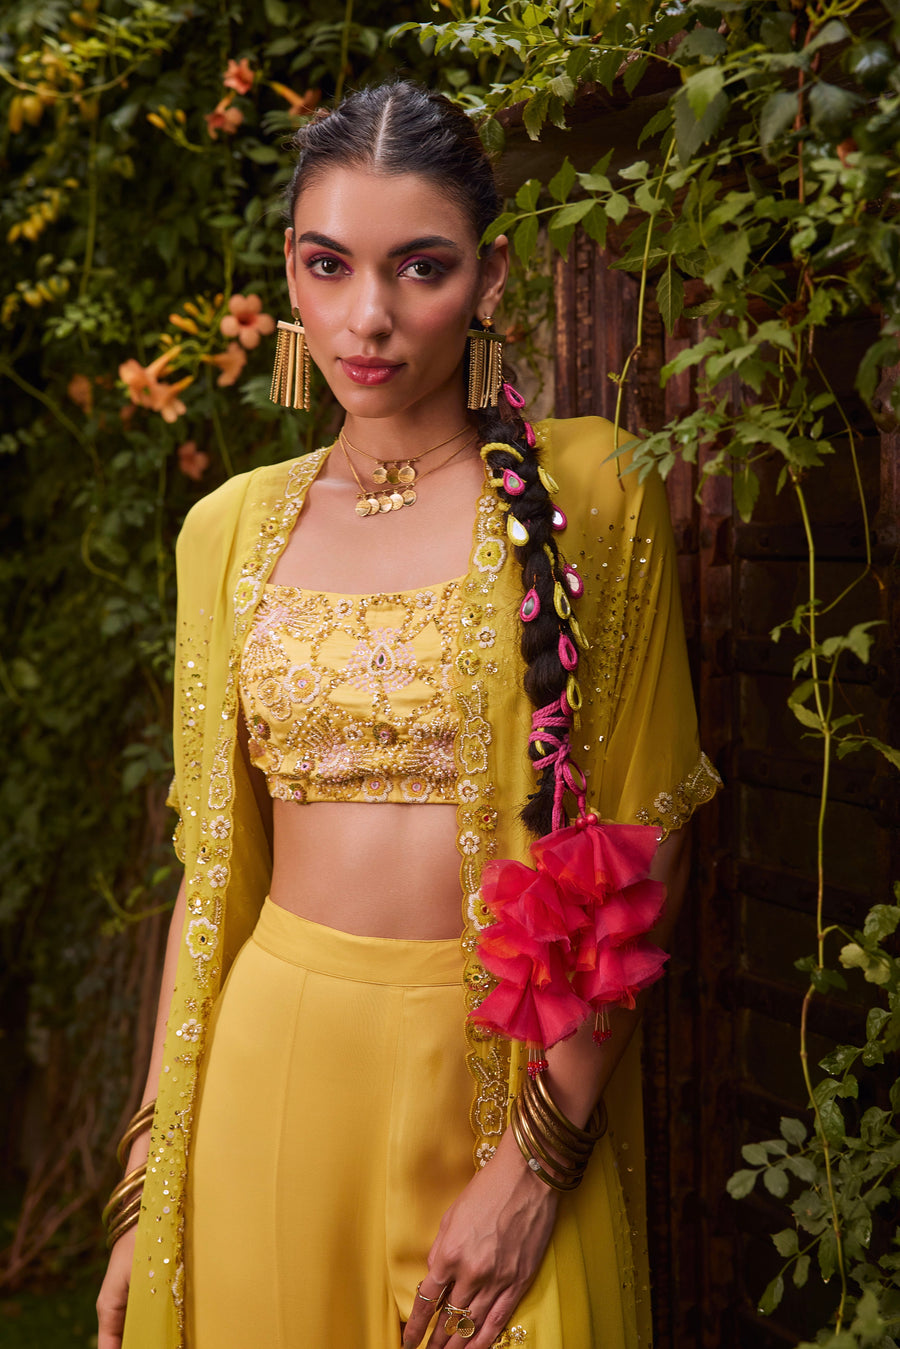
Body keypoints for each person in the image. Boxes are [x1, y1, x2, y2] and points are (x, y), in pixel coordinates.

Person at [96, 81, 720, 1349]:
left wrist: (541, 1158)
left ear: (489, 278)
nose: (367, 318)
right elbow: (207, 871)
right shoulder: (226, 534)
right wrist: (143, 1176)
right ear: (292, 270)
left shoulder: (586, 492)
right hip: (269, 1070)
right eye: (330, 266)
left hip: (498, 1080)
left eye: (420, 268)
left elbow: (644, 840)